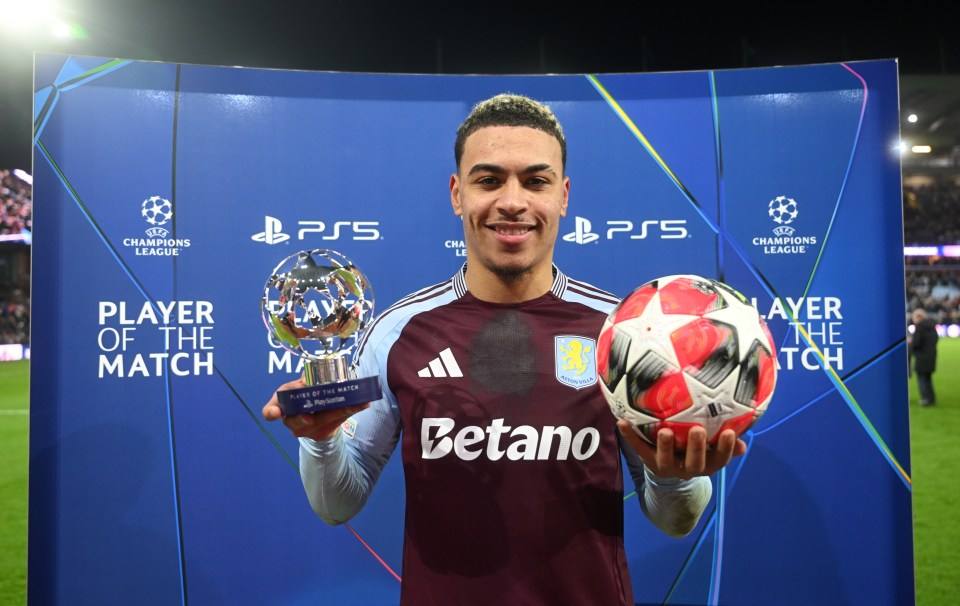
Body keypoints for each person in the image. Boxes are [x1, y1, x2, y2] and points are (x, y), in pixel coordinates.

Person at [262, 93, 746, 605]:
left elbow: (676, 521)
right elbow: (337, 504)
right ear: (457, 193)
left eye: (535, 181)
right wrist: (321, 440)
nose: (512, 201)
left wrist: (675, 479)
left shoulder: (621, 333)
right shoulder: (398, 331)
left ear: (563, 196)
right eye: (488, 180)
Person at [910, 308, 939, 406]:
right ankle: (931, 398)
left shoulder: (919, 327)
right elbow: (936, 339)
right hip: (931, 355)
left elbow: (917, 343)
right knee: (928, 378)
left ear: (917, 317)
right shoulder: (932, 326)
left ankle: (925, 399)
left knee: (921, 378)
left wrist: (911, 343)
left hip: (921, 356)